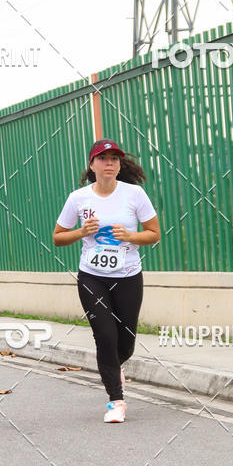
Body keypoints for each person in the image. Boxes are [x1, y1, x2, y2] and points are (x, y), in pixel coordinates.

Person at [53, 139, 160, 423]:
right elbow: (58, 237)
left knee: (125, 345)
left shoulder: (134, 194)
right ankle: (116, 401)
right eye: (102, 158)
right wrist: (80, 232)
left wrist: (131, 236)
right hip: (92, 277)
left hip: (128, 276)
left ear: (120, 165)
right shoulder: (78, 199)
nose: (109, 163)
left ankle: (113, 367)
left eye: (114, 158)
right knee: (105, 337)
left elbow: (154, 233)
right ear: (92, 165)